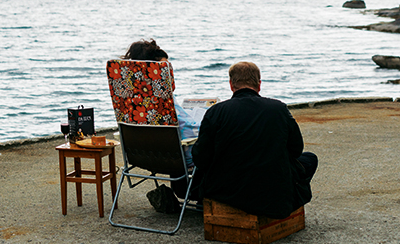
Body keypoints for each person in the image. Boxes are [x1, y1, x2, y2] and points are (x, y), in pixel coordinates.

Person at [189, 61, 318, 219]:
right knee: (310, 159)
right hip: (272, 194)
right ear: (259, 84)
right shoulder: (279, 109)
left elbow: (200, 158)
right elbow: (296, 149)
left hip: (224, 191)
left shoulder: (216, 112)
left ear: (231, 84)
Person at [120, 39, 192, 213]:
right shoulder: (163, 103)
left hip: (141, 156)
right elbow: (189, 128)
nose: (169, 73)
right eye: (165, 69)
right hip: (178, 158)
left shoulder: (129, 100)